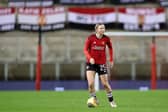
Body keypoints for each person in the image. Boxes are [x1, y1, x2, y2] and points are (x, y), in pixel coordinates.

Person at [84, 23, 117, 108]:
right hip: (91, 63)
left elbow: (110, 48)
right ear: (97, 29)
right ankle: (94, 100)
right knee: (91, 84)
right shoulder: (91, 38)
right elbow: (85, 49)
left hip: (101, 64)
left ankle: (111, 101)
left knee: (105, 84)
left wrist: (111, 59)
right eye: (101, 28)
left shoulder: (106, 39)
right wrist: (90, 58)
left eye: (104, 28)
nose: (103, 29)